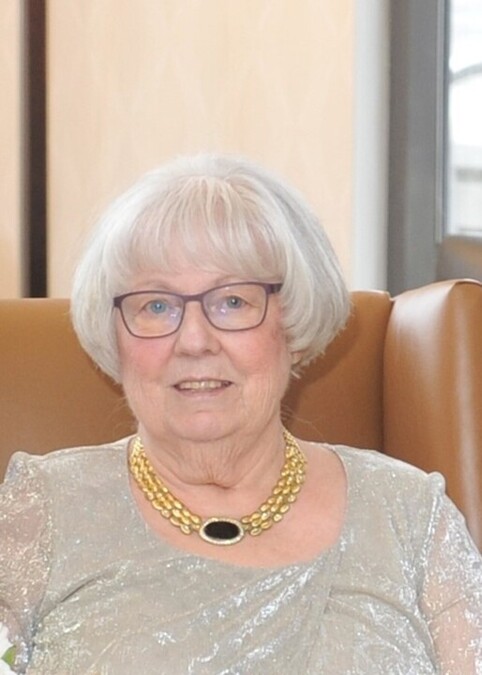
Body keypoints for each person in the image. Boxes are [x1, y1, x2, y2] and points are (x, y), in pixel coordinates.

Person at [0, 153, 481, 674]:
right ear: (115, 334)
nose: (194, 341)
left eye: (232, 302)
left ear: (293, 322)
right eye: (156, 306)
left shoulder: (411, 514)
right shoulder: (40, 511)